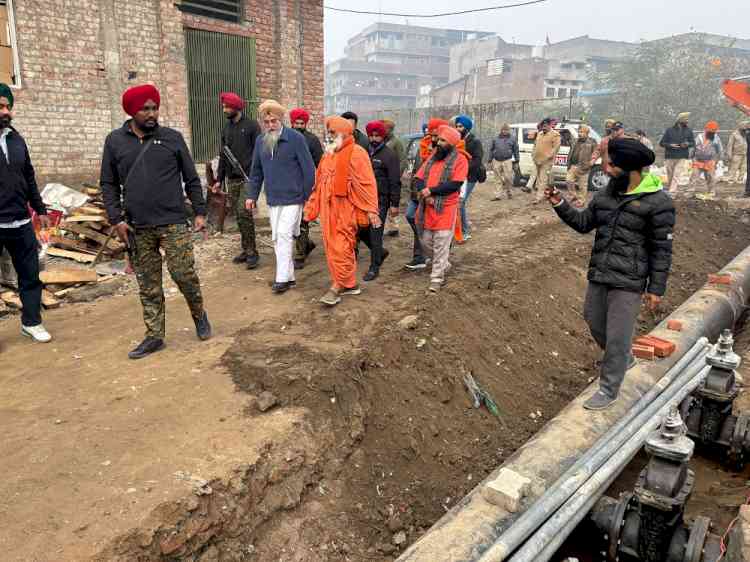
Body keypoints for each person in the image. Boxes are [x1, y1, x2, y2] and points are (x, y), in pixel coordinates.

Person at [545, 137, 675, 410]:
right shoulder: (606, 195)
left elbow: (661, 249)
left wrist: (656, 288)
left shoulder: (659, 202)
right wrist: (560, 204)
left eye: (612, 164)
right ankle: (624, 359)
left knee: (618, 336)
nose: (606, 167)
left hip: (629, 280)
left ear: (631, 168)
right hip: (601, 272)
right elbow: (583, 223)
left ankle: (608, 389)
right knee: (593, 320)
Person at [101, 84, 211, 359]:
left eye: (154, 108)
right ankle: (154, 335)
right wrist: (116, 219)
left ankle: (199, 315)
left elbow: (191, 178)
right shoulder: (115, 141)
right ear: (132, 111)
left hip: (173, 221)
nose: (152, 114)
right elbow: (108, 183)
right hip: (137, 227)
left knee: (183, 274)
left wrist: (199, 212)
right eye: (145, 109)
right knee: (148, 284)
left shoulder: (172, 138)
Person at [304, 116, 380, 306]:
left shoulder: (357, 152)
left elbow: (367, 183)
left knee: (342, 246)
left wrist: (371, 210)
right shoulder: (328, 153)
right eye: (328, 132)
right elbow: (319, 181)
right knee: (331, 247)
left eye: (333, 132)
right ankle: (350, 283)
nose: (329, 136)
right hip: (328, 209)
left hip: (345, 209)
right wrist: (312, 206)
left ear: (345, 133)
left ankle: (339, 285)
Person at [245, 100, 316, 294]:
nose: (270, 125)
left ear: (281, 119)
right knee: (277, 237)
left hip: (294, 197)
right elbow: (256, 171)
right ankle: (290, 277)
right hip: (274, 198)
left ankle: (282, 278)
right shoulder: (261, 141)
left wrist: (308, 197)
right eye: (266, 122)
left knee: (284, 234)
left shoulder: (295, 139)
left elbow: (309, 170)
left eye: (273, 121)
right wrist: (251, 195)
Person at [0, 83, 52, 343]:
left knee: (30, 274)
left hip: (20, 221)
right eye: (0, 106)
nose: (6, 111)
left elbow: (28, 176)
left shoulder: (17, 139)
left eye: (8, 106)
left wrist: (40, 209)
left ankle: (31, 322)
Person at [414, 125, 469, 292]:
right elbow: (419, 177)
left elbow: (455, 184)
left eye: (443, 140)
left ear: (451, 144)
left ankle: (436, 279)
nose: (438, 143)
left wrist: (432, 191)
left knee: (441, 243)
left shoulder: (461, 160)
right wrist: (426, 194)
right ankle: (443, 264)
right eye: (439, 139)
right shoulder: (432, 157)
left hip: (446, 207)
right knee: (425, 241)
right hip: (427, 207)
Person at [213, 92, 261, 269]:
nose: (225, 110)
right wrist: (219, 179)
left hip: (248, 178)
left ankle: (252, 252)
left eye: (228, 107)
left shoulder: (251, 126)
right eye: (224, 107)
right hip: (232, 179)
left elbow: (259, 152)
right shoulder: (226, 129)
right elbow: (223, 155)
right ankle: (246, 248)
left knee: (243, 213)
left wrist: (257, 175)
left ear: (237, 107)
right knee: (239, 217)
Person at [404, 118, 447, 271]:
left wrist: (432, 193)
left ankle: (426, 256)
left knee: (432, 226)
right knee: (412, 217)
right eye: (430, 135)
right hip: (418, 193)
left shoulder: (448, 152)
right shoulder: (423, 146)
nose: (433, 139)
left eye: (436, 135)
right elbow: (418, 171)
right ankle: (422, 254)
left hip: (435, 196)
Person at [360, 120, 400, 281]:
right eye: (371, 135)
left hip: (380, 200)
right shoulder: (363, 152)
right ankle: (380, 253)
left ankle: (374, 267)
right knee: (361, 230)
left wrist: (394, 204)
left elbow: (394, 180)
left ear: (382, 137)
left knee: (376, 233)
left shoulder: (389, 155)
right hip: (363, 199)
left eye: (377, 136)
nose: (374, 138)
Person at [290, 107, 323, 269]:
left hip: (305, 187)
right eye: (296, 123)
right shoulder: (285, 138)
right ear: (291, 123)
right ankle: (307, 244)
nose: (298, 126)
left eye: (301, 123)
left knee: (302, 220)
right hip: (288, 187)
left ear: (306, 123)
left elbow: (320, 164)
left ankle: (300, 254)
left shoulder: (312, 140)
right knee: (290, 221)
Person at [454, 115, 483, 240]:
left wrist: (463, 168)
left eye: (460, 126)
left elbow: (477, 160)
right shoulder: (456, 140)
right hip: (459, 176)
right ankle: (461, 229)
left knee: (461, 202)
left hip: (470, 177)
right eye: (456, 126)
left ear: (466, 128)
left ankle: (464, 231)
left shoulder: (475, 141)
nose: (457, 128)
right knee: (460, 203)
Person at [659, 112, 695, 194]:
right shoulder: (669, 130)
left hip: (682, 155)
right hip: (670, 155)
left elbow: (692, 143)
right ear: (680, 120)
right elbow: (662, 143)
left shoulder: (689, 131)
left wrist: (687, 144)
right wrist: (670, 145)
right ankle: (670, 187)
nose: (687, 121)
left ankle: (672, 191)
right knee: (670, 174)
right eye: (686, 120)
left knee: (677, 174)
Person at [382, 118, 406, 237]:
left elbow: (402, 160)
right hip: (383, 178)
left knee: (393, 201)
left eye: (384, 128)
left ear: (390, 130)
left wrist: (397, 175)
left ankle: (394, 227)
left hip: (392, 177)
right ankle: (388, 226)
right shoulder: (382, 141)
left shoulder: (396, 142)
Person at [566, 124, 597, 208]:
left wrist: (592, 161)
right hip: (573, 166)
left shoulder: (592, 142)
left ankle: (581, 201)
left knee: (582, 186)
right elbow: (571, 151)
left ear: (587, 133)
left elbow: (596, 153)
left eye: (582, 132)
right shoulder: (575, 141)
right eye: (579, 132)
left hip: (584, 167)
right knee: (569, 181)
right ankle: (573, 196)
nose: (579, 133)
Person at [531, 117, 561, 203]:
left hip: (546, 161)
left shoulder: (555, 135)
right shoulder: (540, 134)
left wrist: (546, 157)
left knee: (543, 179)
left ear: (549, 125)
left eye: (545, 126)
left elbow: (555, 148)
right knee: (541, 179)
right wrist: (533, 155)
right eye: (542, 126)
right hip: (537, 160)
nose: (543, 128)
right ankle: (551, 193)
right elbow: (535, 145)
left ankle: (538, 198)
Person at [689, 121, 723, 196]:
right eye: (710, 131)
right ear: (706, 130)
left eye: (713, 132)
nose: (712, 133)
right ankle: (690, 192)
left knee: (710, 177)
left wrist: (719, 160)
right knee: (694, 176)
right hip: (698, 160)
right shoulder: (699, 137)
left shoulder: (716, 138)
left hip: (710, 161)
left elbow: (720, 150)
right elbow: (693, 148)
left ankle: (711, 192)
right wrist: (691, 157)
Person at [488, 123, 519, 201]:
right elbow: (491, 149)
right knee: (497, 178)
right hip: (496, 160)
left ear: (509, 130)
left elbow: (516, 150)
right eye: (503, 130)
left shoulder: (512, 139)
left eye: (506, 130)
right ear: (501, 130)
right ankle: (497, 195)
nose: (505, 131)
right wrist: (489, 160)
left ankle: (509, 192)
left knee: (508, 178)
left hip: (507, 160)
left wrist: (517, 161)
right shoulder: (495, 138)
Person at [723, 120, 749, 184]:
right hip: (736, 154)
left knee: (744, 168)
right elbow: (730, 145)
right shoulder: (734, 134)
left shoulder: (746, 134)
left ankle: (740, 179)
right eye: (744, 128)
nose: (745, 129)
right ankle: (730, 179)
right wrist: (729, 155)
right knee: (734, 168)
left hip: (744, 154)